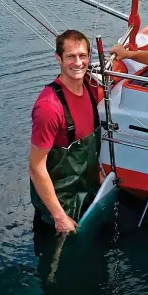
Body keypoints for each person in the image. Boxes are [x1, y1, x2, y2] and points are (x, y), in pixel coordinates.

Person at [29, 30, 100, 233]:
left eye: (82, 56)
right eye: (70, 56)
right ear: (58, 58)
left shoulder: (91, 87)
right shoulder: (48, 108)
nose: (78, 63)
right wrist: (59, 217)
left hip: (88, 196)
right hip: (58, 211)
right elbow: (36, 168)